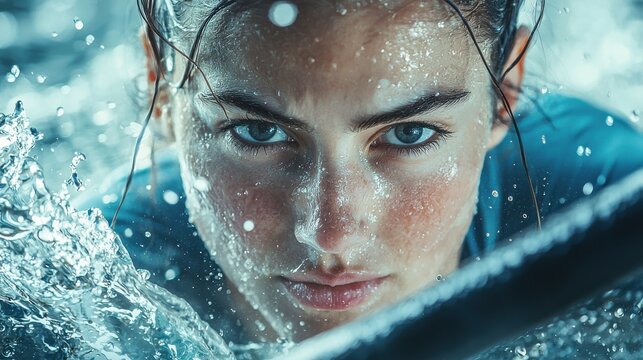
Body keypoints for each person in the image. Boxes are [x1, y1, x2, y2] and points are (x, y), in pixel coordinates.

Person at [76, 0, 643, 347]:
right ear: (161, 88)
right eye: (258, 132)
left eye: (409, 134)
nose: (331, 233)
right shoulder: (95, 287)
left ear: (504, 90)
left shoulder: (609, 206)